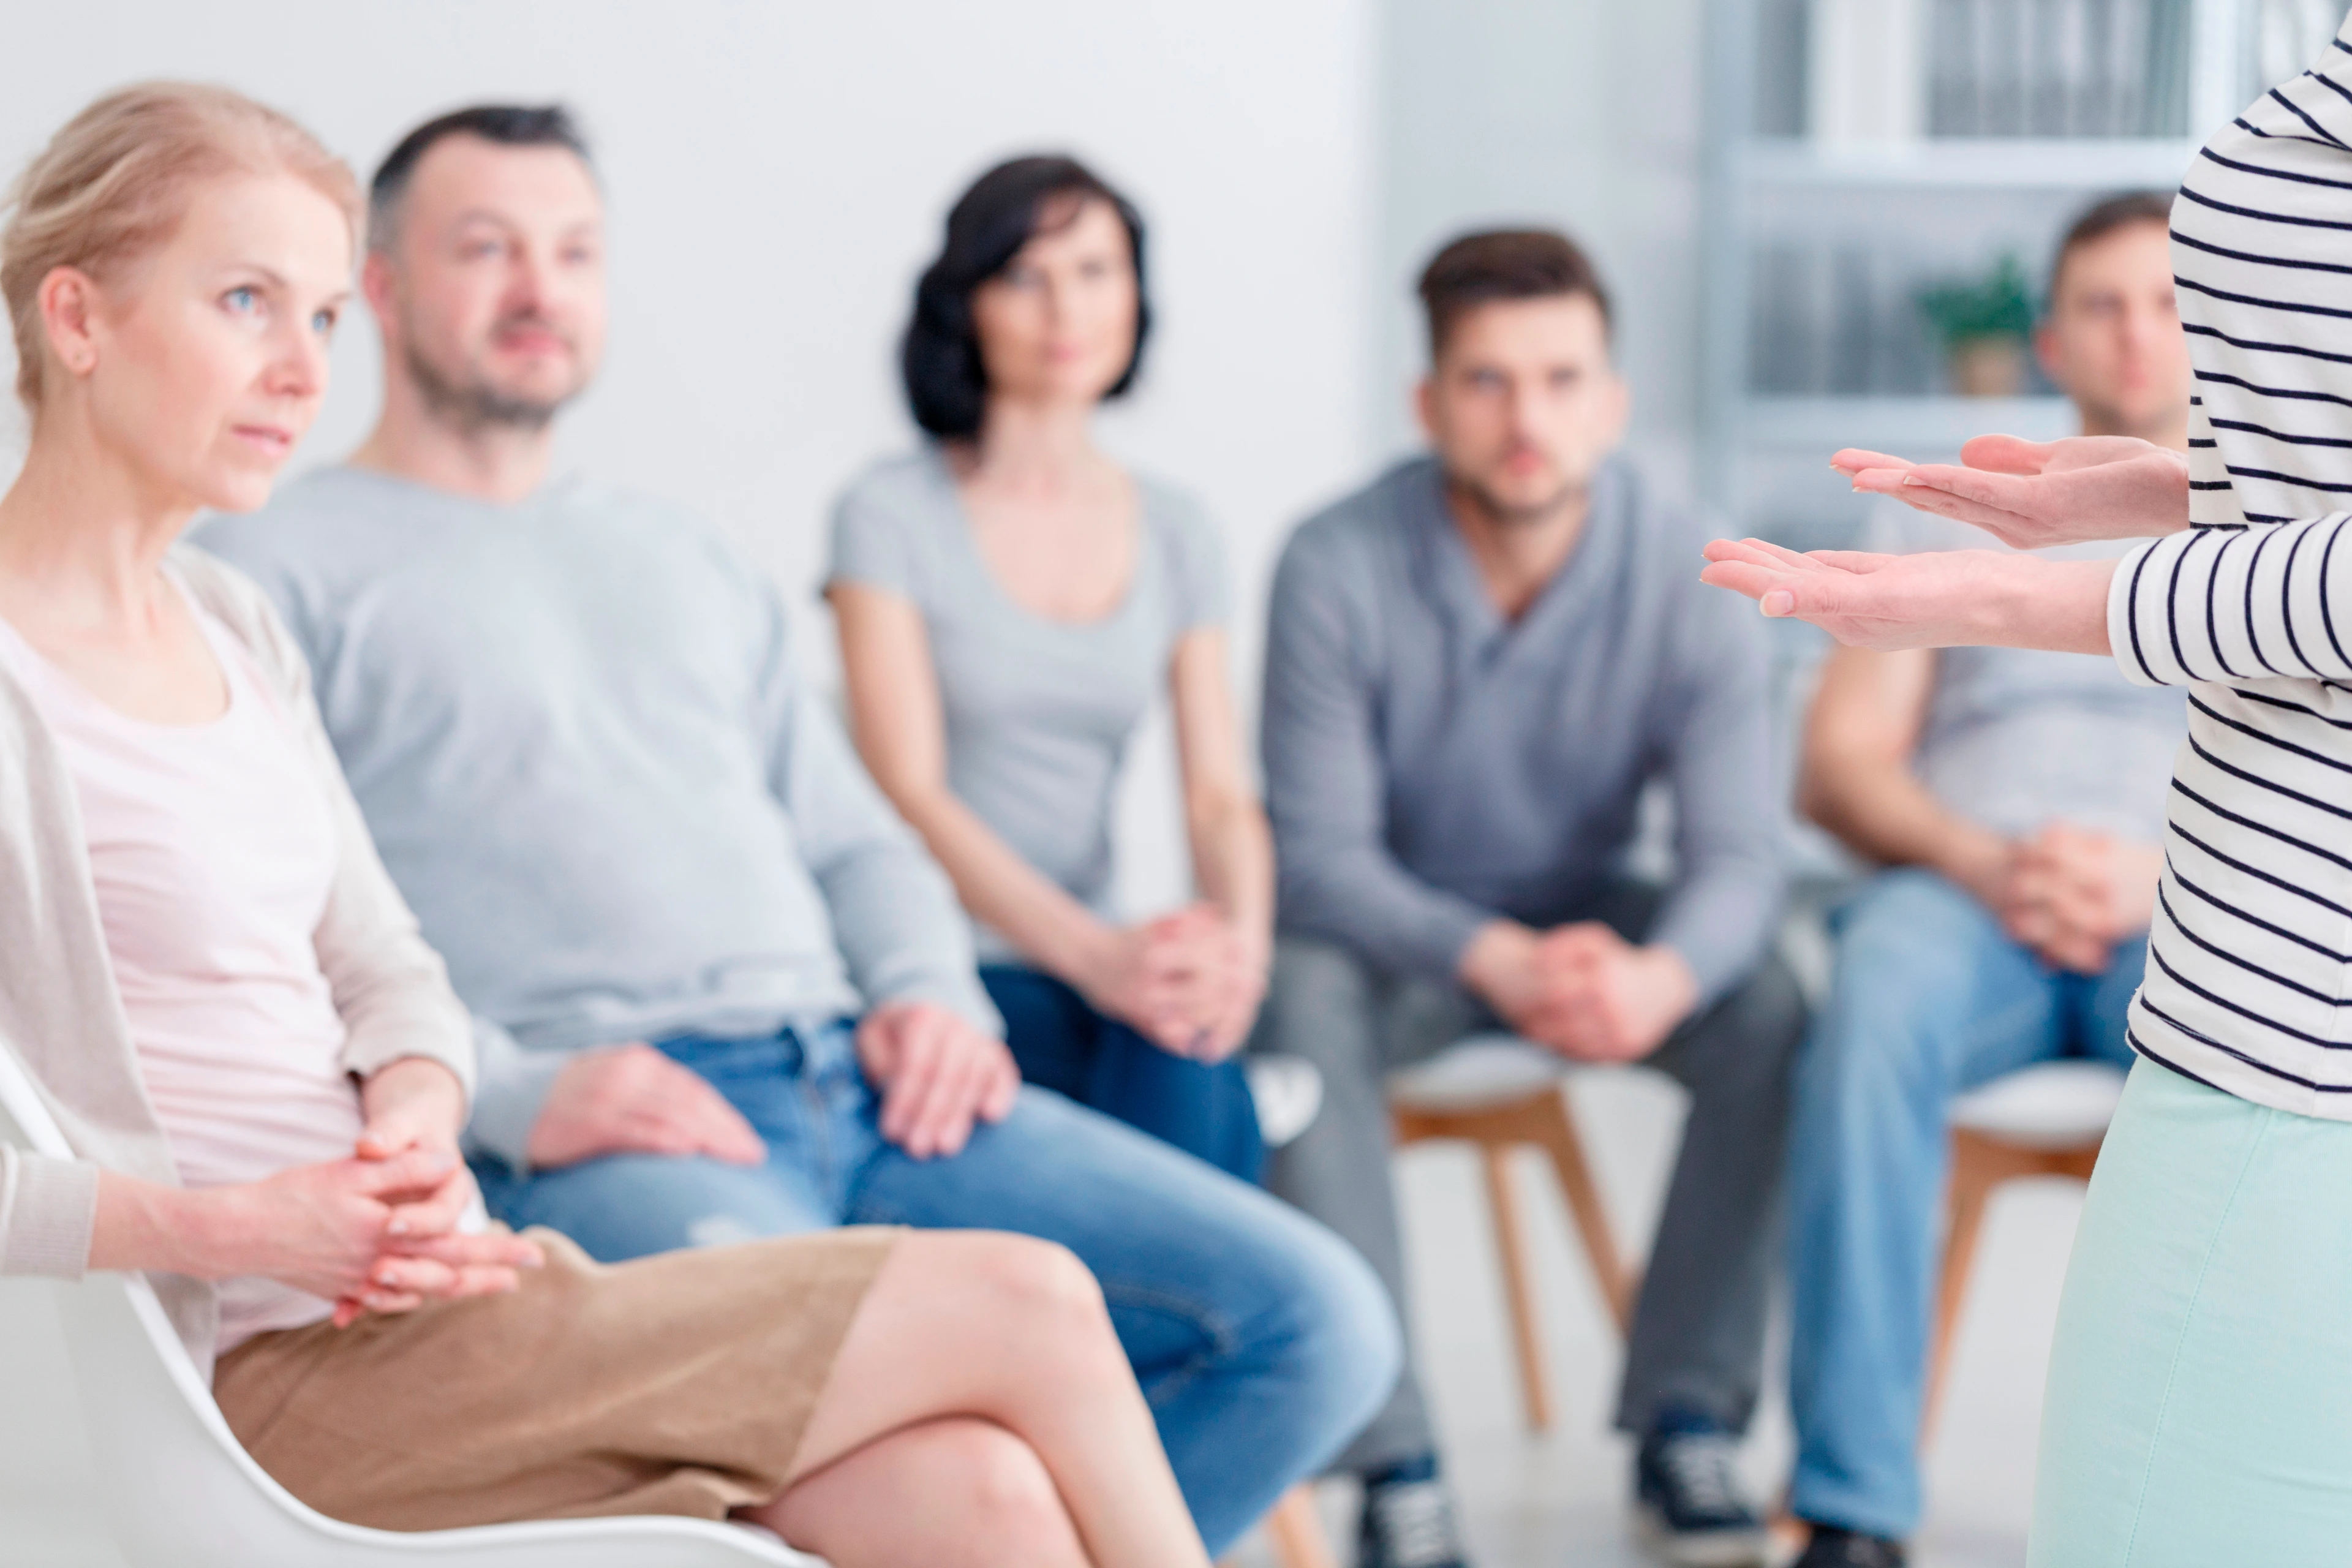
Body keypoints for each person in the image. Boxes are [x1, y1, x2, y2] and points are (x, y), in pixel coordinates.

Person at [0, 81, 1221, 1568]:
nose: (299, 369)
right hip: (268, 1383)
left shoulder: (230, 619)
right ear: (76, 317)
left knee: (985, 1496)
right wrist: (247, 1232)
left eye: (322, 317)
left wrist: (416, 1130)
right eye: (246, 300)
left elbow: (389, 970)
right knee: (1031, 1300)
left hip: (426, 1301)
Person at [1706, 23, 2352, 1562]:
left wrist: (1993, 599)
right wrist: (2157, 495)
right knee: (1873, 1001)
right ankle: (1852, 1502)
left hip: (2286, 1005)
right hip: (2055, 909)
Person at [1253, 228, 1806, 1568]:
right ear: (1429, 402)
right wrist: (1494, 958)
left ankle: (1687, 1419)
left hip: (1595, 910)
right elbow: (1319, 854)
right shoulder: (1333, 562)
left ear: (1612, 400)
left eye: (1561, 380)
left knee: (1771, 1003)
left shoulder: (1696, 571)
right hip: (1405, 932)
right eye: (1488, 382)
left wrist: (1658, 977)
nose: (1527, 420)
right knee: (1290, 991)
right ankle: (1394, 1462)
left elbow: (1740, 855)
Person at [1780, 192, 2192, 1568]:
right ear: (2047, 334)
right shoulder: (1942, 518)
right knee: (1866, 1003)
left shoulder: (2283, 526)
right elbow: (1839, 763)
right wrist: (1987, 859)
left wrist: (2165, 877)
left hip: (2189, 915)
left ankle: (2191, 1508)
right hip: (1967, 903)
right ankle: (1849, 1504)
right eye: (2103, 302)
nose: (2139, 332)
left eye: (2169, 297)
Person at [828, 154, 1305, 1185]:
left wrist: (1237, 963)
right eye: (1027, 276)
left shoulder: (1178, 531)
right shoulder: (889, 515)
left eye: (1097, 270)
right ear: (969, 307)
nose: (1067, 309)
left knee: (1191, 1040)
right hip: (950, 965)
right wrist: (1102, 960)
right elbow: (905, 790)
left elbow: (1220, 798)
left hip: (1106, 963)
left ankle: (1190, 1337)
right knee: (1191, 1111)